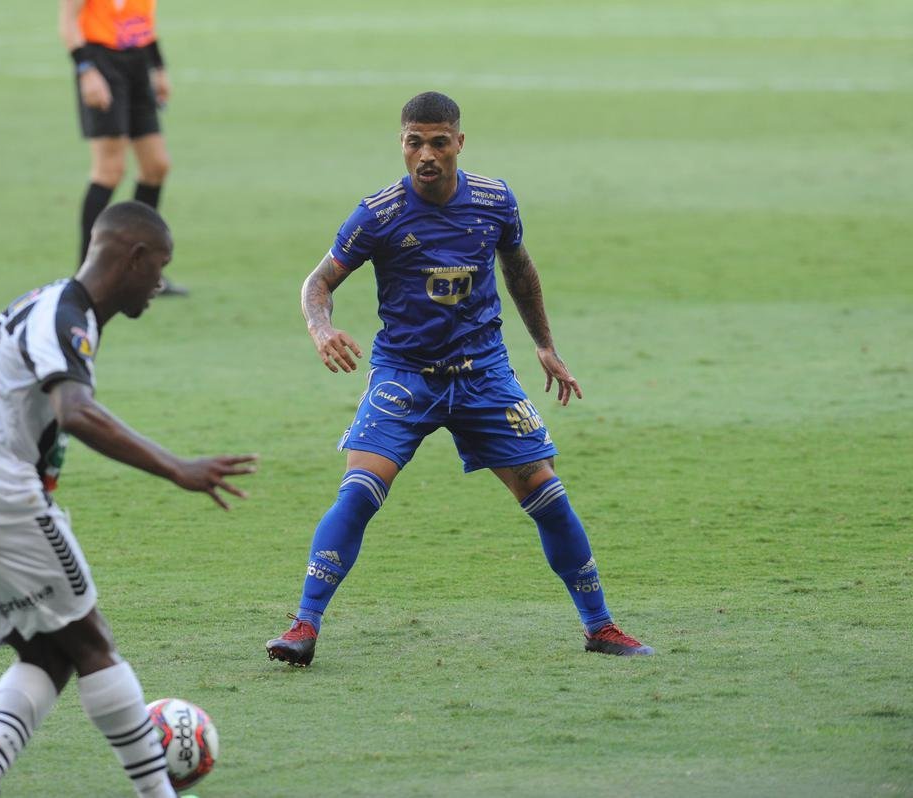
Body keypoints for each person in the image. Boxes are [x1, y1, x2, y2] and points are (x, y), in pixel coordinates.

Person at [265, 92, 653, 667]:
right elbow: (317, 282)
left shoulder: (495, 201)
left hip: (483, 376)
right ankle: (303, 625)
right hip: (406, 377)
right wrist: (321, 329)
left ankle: (600, 626)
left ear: (459, 143)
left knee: (548, 496)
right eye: (414, 142)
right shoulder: (378, 214)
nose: (426, 154)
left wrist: (544, 345)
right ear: (402, 144)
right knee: (359, 493)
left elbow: (519, 269)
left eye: (438, 142)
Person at [0, 202, 255, 798]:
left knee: (48, 654)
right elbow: (76, 412)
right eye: (160, 265)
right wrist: (178, 468)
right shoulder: (65, 315)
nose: (161, 282)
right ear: (135, 257)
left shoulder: (35, 305)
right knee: (94, 646)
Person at [58, 0, 185, 295]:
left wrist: (159, 68)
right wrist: (86, 70)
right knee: (109, 171)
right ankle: (85, 277)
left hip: (137, 61)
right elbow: (68, 22)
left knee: (156, 166)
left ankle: (143, 271)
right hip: (101, 61)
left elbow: (143, 21)